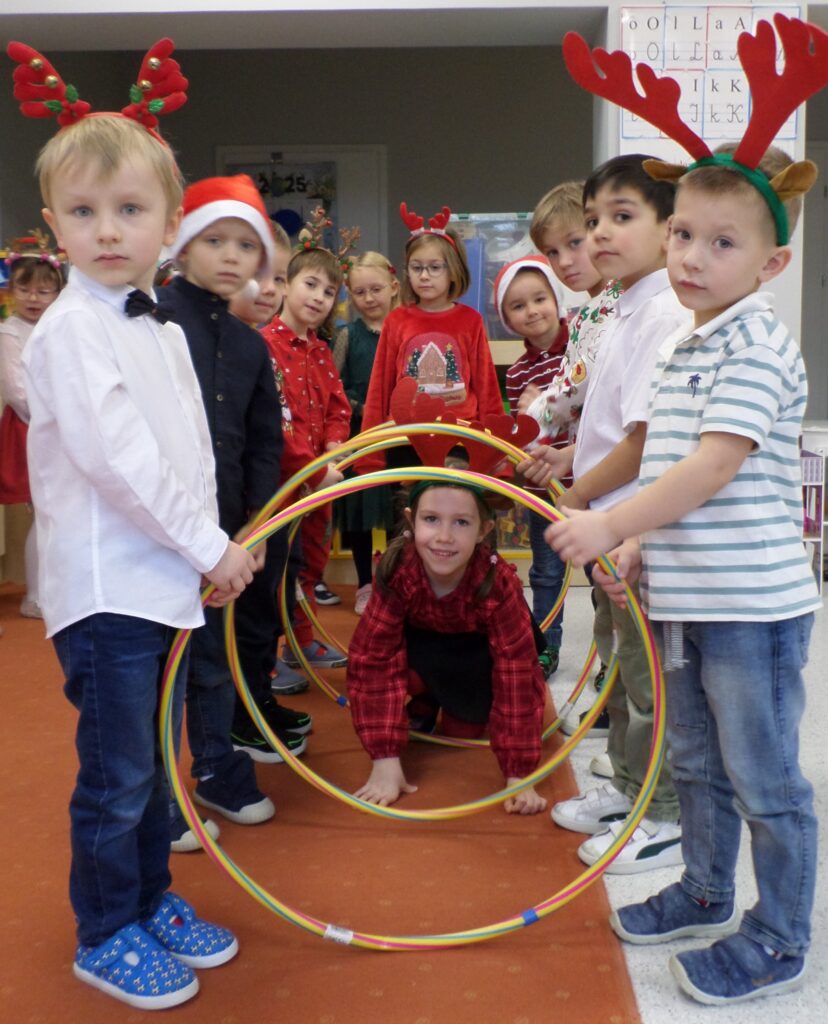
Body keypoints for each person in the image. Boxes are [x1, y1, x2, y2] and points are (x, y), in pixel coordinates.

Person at [549, 17, 827, 1004]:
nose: (692, 257)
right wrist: (641, 546)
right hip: (684, 598)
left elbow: (711, 467)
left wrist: (611, 524)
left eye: (722, 242)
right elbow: (660, 457)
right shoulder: (683, 343)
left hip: (751, 611)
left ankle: (779, 936)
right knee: (698, 764)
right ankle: (705, 889)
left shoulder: (758, 345)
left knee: (765, 779)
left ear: (771, 264)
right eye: (682, 235)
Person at [10, 38, 251, 1009]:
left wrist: (203, 554)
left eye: (129, 210)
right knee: (118, 775)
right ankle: (106, 929)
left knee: (156, 765)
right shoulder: (72, 329)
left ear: (169, 222)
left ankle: (149, 899)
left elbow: (186, 454)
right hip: (108, 591)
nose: (107, 230)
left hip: (161, 583)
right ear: (52, 226)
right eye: (83, 212)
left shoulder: (153, 323)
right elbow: (120, 463)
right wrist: (208, 547)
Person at [520, 154, 687, 873]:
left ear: (668, 227)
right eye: (593, 221)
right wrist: (570, 465)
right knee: (621, 667)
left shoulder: (662, 311)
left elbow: (644, 441)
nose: (599, 236)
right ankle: (626, 784)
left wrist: (580, 494)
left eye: (622, 217)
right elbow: (607, 417)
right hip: (611, 523)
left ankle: (666, 813)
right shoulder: (620, 307)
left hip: (634, 527)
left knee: (649, 680)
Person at [159, 176, 312, 842]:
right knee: (162, 670)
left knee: (214, 659)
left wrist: (254, 526)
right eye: (214, 240)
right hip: (161, 533)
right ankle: (160, 798)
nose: (230, 257)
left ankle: (217, 769)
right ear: (183, 243)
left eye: (245, 247)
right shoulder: (154, 321)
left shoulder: (251, 344)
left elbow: (262, 443)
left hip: (226, 536)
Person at [347, 476, 548, 814]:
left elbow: (517, 671)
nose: (444, 536)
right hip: (422, 651)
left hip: (472, 658)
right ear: (411, 520)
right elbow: (372, 658)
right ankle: (425, 699)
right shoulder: (398, 571)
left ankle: (444, 700)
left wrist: (519, 772)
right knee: (389, 665)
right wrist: (384, 758)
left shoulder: (497, 583)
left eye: (461, 522)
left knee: (464, 732)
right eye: (431, 519)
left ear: (483, 530)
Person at [260, 242, 352, 670]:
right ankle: (265, 657)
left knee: (311, 563)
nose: (318, 297)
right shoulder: (265, 347)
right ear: (285, 285)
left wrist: (335, 447)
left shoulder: (321, 351)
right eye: (310, 285)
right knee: (277, 569)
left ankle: (301, 642)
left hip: (320, 484)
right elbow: (277, 423)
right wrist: (312, 471)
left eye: (329, 291)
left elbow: (338, 408)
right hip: (285, 487)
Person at [358, 202, 503, 473]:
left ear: (453, 271)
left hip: (458, 437)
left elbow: (487, 387)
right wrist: (370, 455)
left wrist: (497, 455)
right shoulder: (396, 320)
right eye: (417, 268)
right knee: (410, 499)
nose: (424, 276)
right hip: (405, 438)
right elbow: (379, 387)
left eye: (435, 267)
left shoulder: (471, 321)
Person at [229, 221, 310, 697]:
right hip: (246, 506)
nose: (269, 289)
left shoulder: (255, 345)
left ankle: (260, 696)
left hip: (273, 499)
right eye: (258, 276)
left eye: (279, 278)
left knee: (272, 597)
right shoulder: (246, 345)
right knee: (248, 612)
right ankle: (247, 708)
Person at [495, 255, 569, 676]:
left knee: (602, 572)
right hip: (543, 489)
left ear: (556, 299)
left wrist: (545, 405)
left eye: (540, 298)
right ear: (507, 318)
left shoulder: (581, 348)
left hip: (591, 482)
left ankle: (610, 655)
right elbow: (524, 435)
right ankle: (546, 646)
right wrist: (525, 421)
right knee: (545, 572)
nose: (532, 311)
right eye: (518, 306)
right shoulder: (517, 372)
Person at [332, 251, 401, 614]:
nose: (369, 298)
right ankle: (363, 583)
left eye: (376, 289)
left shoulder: (403, 330)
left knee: (396, 509)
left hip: (400, 433)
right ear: (350, 295)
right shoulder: (348, 336)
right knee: (359, 510)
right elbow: (334, 385)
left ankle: (393, 582)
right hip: (361, 435)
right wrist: (361, 408)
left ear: (393, 287)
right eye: (360, 292)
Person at [0, 233, 64, 619]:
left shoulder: (56, 326)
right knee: (43, 513)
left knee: (55, 513)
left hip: (60, 426)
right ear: (11, 292)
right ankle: (35, 596)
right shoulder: (10, 331)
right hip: (31, 428)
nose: (34, 298)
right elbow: (16, 390)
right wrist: (50, 421)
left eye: (43, 290)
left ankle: (51, 590)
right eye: (25, 290)